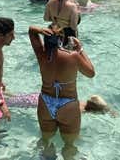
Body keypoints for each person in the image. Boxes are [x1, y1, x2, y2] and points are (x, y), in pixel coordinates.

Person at [28, 25, 95, 158]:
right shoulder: (73, 56)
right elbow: (91, 73)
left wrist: (40, 30)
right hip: (68, 105)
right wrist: (80, 49)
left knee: (46, 141)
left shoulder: (41, 54)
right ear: (61, 38)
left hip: (46, 102)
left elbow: (31, 31)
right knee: (69, 146)